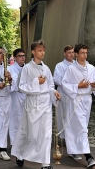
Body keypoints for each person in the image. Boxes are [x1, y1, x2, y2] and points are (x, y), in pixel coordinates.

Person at [11, 40, 60, 169]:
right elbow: (20, 87)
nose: (42, 52)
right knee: (31, 135)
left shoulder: (46, 68)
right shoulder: (27, 68)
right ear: (33, 52)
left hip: (45, 104)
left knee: (46, 133)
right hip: (33, 104)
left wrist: (55, 92)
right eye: (39, 50)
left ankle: (45, 163)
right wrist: (36, 82)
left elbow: (50, 86)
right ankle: (20, 154)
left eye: (43, 50)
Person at [61, 43, 95, 168]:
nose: (85, 55)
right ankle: (89, 157)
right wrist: (78, 86)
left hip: (87, 100)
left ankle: (73, 149)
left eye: (86, 53)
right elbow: (64, 84)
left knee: (82, 127)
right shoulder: (71, 69)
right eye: (82, 53)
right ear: (77, 54)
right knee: (82, 128)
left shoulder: (91, 68)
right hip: (76, 100)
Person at [53, 45, 74, 142]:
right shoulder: (60, 66)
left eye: (73, 52)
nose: (71, 54)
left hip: (74, 94)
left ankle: (72, 136)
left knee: (73, 115)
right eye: (69, 52)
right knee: (63, 115)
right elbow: (56, 79)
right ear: (64, 53)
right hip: (64, 94)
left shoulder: (76, 65)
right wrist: (68, 82)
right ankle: (64, 137)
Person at [8, 48, 26, 146]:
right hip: (16, 96)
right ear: (15, 57)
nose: (23, 58)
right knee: (15, 119)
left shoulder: (28, 68)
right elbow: (11, 83)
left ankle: (23, 142)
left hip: (26, 96)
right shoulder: (10, 69)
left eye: (24, 56)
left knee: (25, 119)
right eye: (20, 56)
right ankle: (14, 142)